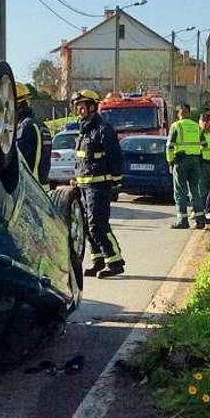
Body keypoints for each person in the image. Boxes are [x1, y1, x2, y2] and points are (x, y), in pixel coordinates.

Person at [71, 89, 125, 278]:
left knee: (98, 225)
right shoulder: (83, 130)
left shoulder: (103, 129)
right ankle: (98, 260)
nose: (79, 110)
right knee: (87, 225)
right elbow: (82, 160)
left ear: (93, 106)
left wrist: (116, 181)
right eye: (77, 106)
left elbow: (115, 157)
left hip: (99, 186)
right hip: (85, 186)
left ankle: (115, 261)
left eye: (82, 106)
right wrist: (76, 179)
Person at [166, 104, 210, 229]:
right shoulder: (196, 126)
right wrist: (198, 157)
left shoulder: (176, 126)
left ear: (179, 113)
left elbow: (169, 146)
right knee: (195, 190)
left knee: (180, 191)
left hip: (181, 161)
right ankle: (200, 220)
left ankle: (183, 220)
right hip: (195, 161)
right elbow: (204, 145)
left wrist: (170, 161)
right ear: (189, 113)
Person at [14, 82, 51, 189]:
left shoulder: (25, 126)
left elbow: (20, 159)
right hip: (43, 187)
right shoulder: (41, 125)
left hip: (30, 190)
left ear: (18, 105)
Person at [199, 113, 210, 221]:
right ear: (199, 121)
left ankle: (204, 211)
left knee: (206, 190)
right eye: (203, 121)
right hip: (201, 163)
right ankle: (200, 214)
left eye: (207, 121)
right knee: (201, 190)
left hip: (208, 164)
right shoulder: (198, 133)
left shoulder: (207, 134)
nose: (205, 123)